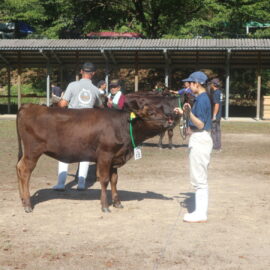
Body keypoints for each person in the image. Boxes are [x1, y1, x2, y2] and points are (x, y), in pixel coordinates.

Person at [53, 62, 102, 191]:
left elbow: (63, 104)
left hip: (71, 123)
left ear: (81, 71)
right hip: (88, 125)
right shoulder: (96, 90)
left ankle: (60, 183)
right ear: (93, 73)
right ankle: (81, 183)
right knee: (86, 153)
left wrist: (57, 103)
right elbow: (101, 107)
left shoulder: (72, 85)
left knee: (64, 152)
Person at [174, 71, 213, 223]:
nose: (188, 86)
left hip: (200, 138)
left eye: (190, 83)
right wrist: (184, 112)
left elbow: (200, 124)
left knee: (199, 179)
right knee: (199, 178)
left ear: (197, 83)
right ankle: (199, 212)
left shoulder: (202, 99)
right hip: (199, 138)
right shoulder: (201, 98)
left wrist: (188, 113)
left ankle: (200, 213)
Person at [209, 78, 222, 151]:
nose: (210, 85)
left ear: (213, 84)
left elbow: (216, 104)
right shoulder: (219, 92)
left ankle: (215, 146)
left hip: (216, 115)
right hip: (219, 115)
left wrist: (214, 115)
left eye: (211, 83)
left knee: (214, 130)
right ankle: (218, 146)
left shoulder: (216, 93)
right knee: (218, 130)